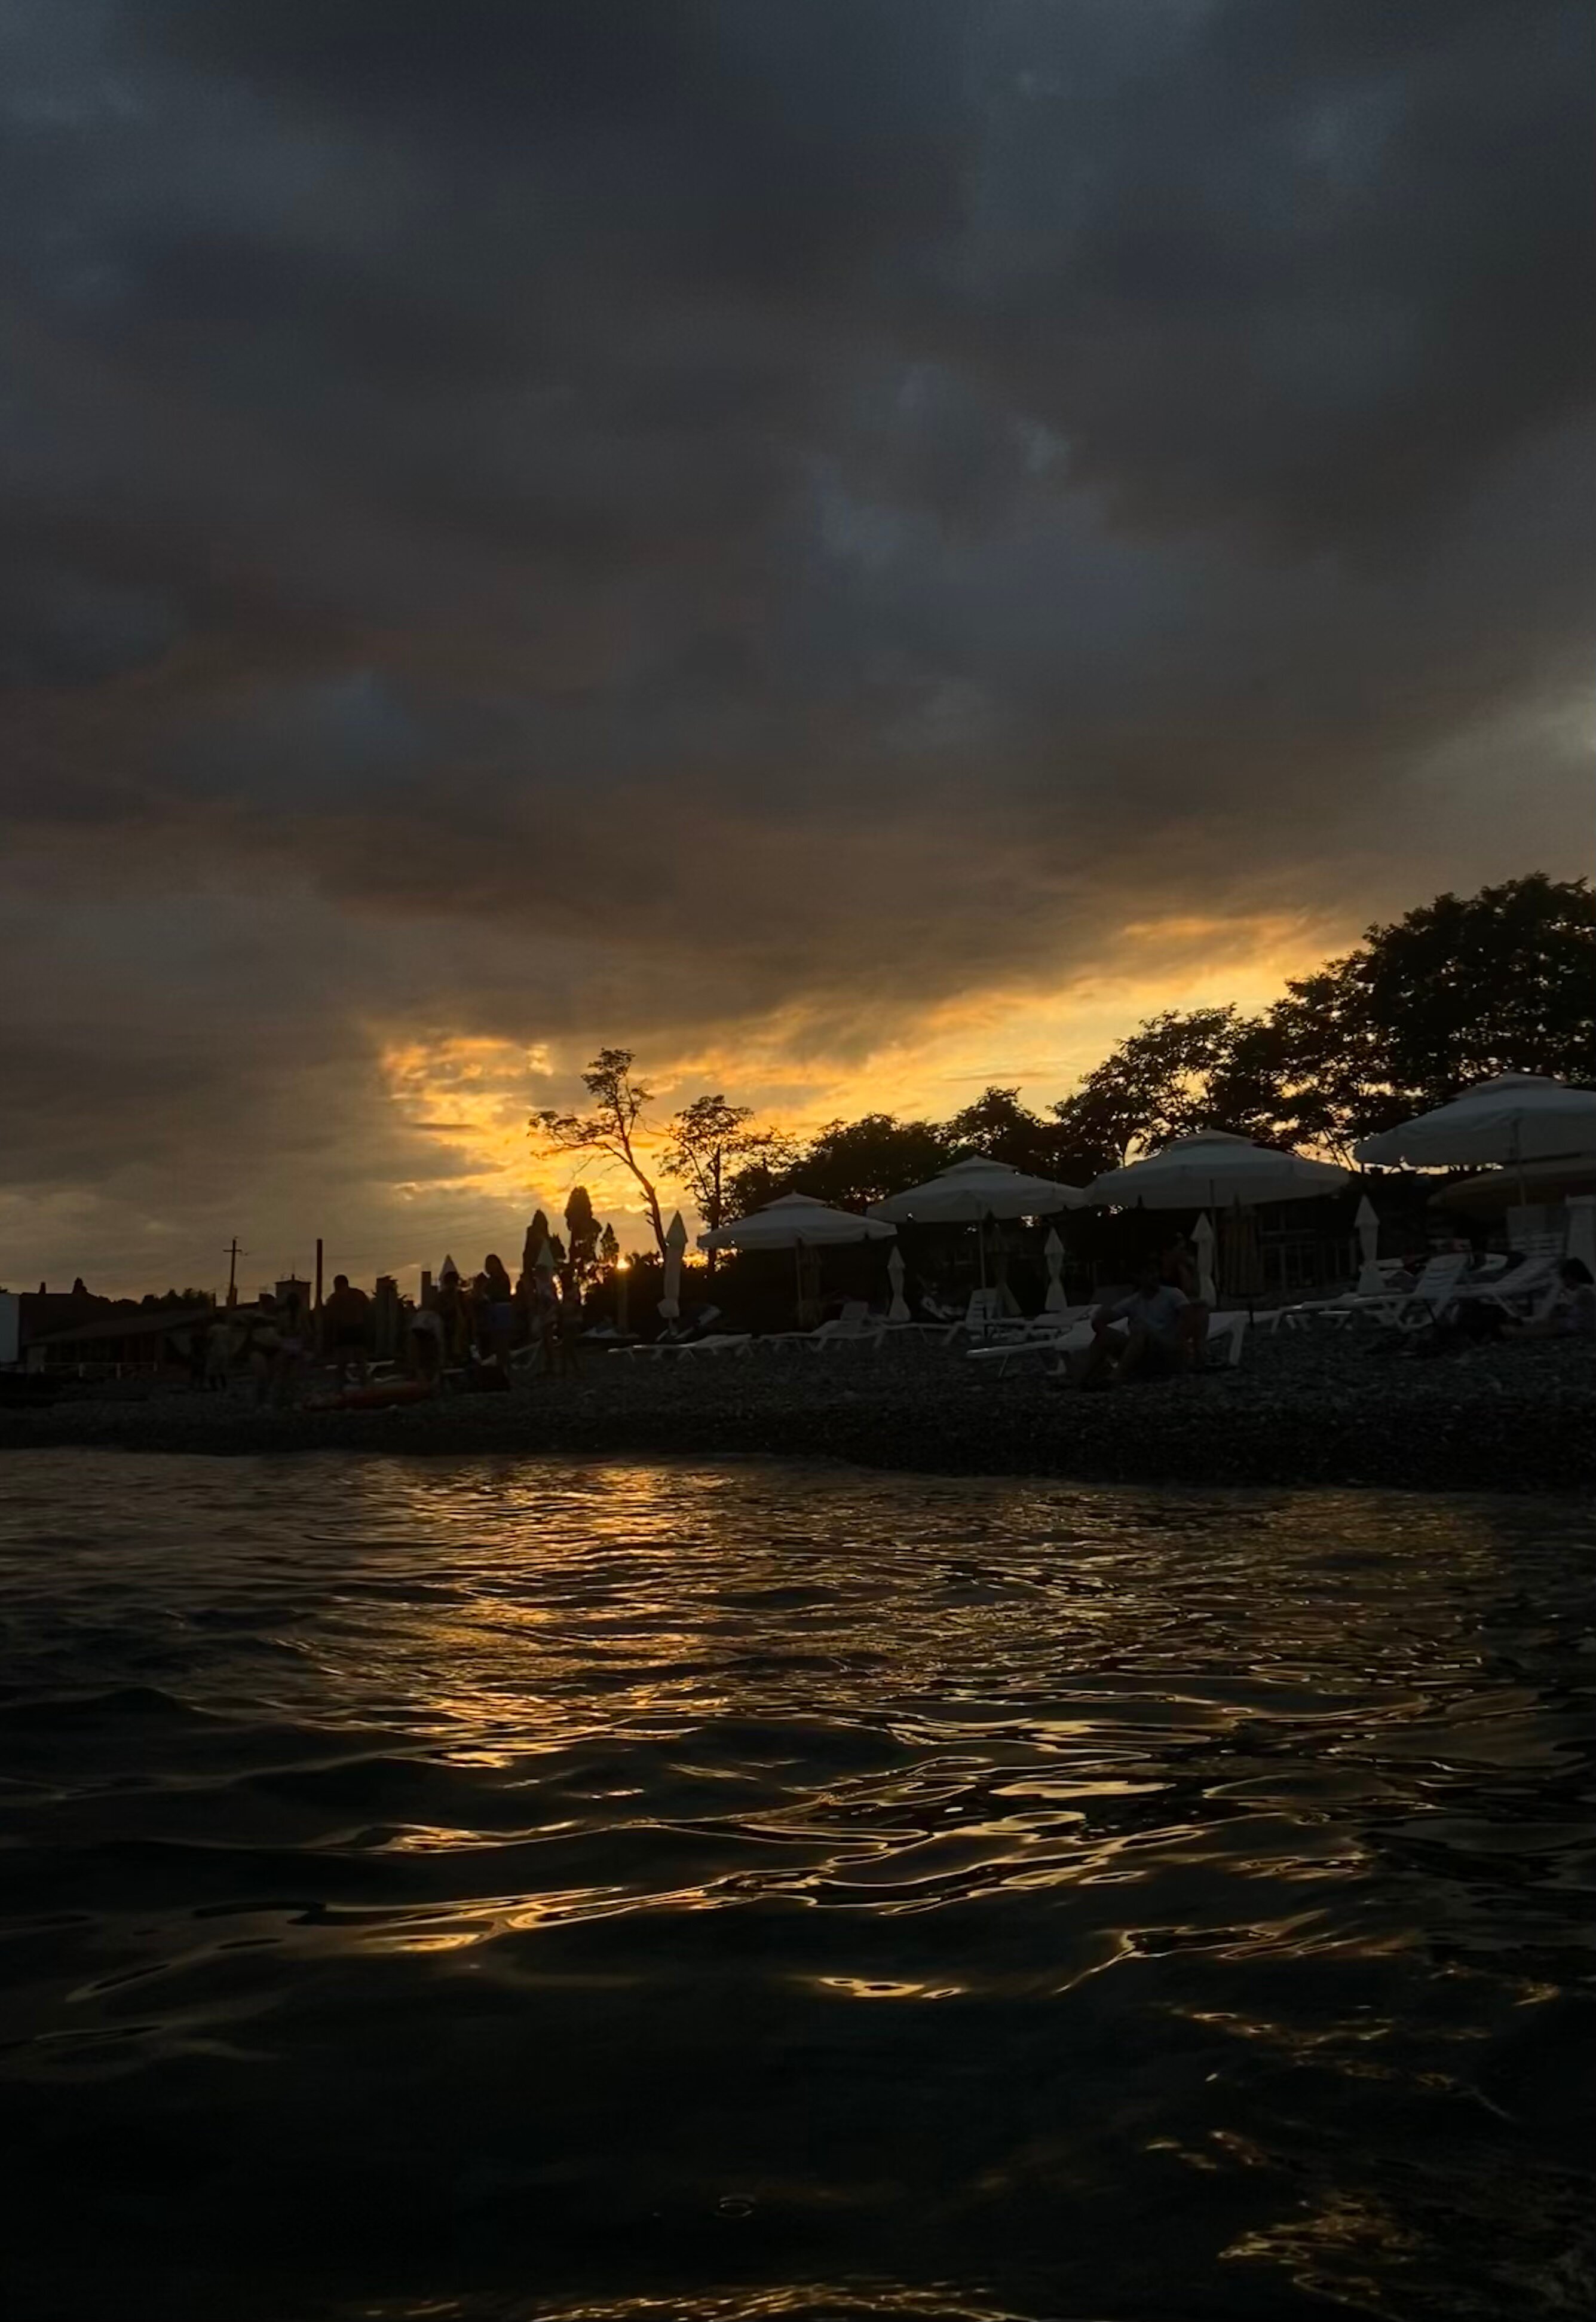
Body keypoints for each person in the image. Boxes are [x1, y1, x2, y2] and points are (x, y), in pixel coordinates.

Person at [1076, 1261, 1190, 1387]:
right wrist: (1104, 1332)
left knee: (1141, 1329)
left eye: (1155, 1272)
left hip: (1165, 1350)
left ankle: (1117, 1376)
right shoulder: (1133, 1301)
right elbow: (1100, 1321)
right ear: (1139, 1277)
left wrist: (1183, 1345)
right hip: (1141, 1352)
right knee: (1105, 1337)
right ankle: (1083, 1378)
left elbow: (1189, 1315)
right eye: (1149, 1273)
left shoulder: (1173, 1295)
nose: (1154, 1276)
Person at [1505, 1258, 1596, 1340]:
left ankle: (1518, 1333)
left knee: (1553, 1326)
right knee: (1550, 1323)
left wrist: (1565, 1312)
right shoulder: (1581, 1292)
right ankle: (1520, 1330)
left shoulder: (1585, 1293)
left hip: (1581, 1327)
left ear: (1573, 1277)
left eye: (1565, 1279)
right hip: (1576, 1324)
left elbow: (1583, 1318)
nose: (1564, 1283)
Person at [1159, 1229, 1211, 1366]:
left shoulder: (1180, 1269)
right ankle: (1196, 1352)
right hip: (1158, 1313)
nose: (1183, 1253)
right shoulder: (1156, 1271)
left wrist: (1193, 1270)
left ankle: (1198, 1351)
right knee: (1199, 1308)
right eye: (1180, 1249)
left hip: (1174, 1312)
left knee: (1200, 1309)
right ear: (1168, 1251)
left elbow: (1194, 1292)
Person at [323, 1273, 372, 1385]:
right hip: (356, 1329)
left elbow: (329, 1317)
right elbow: (368, 1310)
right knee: (360, 1359)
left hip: (345, 1330)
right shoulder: (358, 1294)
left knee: (343, 1361)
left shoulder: (334, 1298)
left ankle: (341, 1386)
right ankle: (364, 1384)